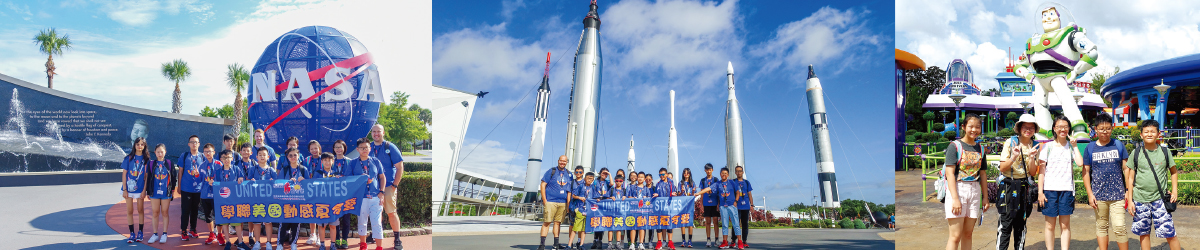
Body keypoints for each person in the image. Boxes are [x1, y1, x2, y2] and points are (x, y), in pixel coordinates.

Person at [1126, 119, 1181, 250]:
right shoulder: (1136, 153)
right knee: (1144, 233)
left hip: (1160, 200)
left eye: (1152, 131)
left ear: (1158, 134)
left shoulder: (1165, 152)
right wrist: (1130, 200)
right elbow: (1130, 178)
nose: (1149, 134)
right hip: (1140, 200)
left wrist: (1175, 191)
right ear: (1141, 135)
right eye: (1146, 132)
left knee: (1169, 233)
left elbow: (1173, 172)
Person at [1082, 113, 1129, 250]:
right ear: (1095, 129)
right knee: (1101, 226)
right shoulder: (1090, 148)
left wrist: (1127, 191)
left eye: (1108, 128)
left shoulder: (1118, 145)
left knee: (1119, 227)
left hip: (1118, 195)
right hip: (1098, 195)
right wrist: (1090, 194)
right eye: (1101, 128)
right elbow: (1086, 172)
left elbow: (1126, 169)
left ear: (1112, 128)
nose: (1105, 131)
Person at [995, 114, 1042, 250]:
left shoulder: (1035, 145)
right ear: (1020, 128)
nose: (1028, 130)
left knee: (1021, 224)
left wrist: (1032, 158)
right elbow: (1003, 167)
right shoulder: (1011, 142)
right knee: (1005, 223)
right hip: (1008, 186)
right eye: (1025, 127)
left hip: (1024, 187)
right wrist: (1014, 157)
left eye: (1031, 127)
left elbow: (1033, 172)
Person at [944, 114, 990, 250]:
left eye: (977, 127)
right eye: (970, 126)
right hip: (958, 189)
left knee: (968, 234)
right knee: (955, 236)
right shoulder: (955, 146)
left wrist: (985, 198)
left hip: (974, 191)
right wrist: (955, 198)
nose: (974, 130)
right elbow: (949, 173)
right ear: (964, 127)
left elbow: (982, 174)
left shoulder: (981, 149)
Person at [1038, 116, 1083, 250]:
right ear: (1054, 129)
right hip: (1050, 190)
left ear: (1069, 128)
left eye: (1065, 126)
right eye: (1059, 127)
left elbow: (1080, 163)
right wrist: (1040, 192)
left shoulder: (1070, 147)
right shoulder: (1047, 147)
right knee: (1050, 225)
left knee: (1065, 225)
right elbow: (1041, 172)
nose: (1062, 129)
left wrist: (1075, 146)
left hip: (1066, 190)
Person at [345, 138, 387, 250]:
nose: (365, 150)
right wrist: (361, 180)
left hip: (375, 197)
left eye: (367, 147)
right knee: (362, 222)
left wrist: (382, 192)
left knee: (377, 223)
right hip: (361, 198)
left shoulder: (375, 161)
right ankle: (363, 245)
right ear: (357, 149)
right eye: (362, 148)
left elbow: (382, 177)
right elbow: (348, 179)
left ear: (370, 148)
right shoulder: (353, 163)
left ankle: (379, 247)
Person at [369, 124, 406, 248]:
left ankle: (397, 239)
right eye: (374, 132)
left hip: (389, 186)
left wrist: (395, 185)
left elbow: (400, 167)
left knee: (391, 212)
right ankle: (375, 235)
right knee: (375, 213)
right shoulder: (369, 148)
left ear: (383, 132)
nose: (376, 134)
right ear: (371, 133)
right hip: (373, 188)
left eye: (378, 131)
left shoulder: (390, 147)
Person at [212, 149, 246, 250]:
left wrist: (241, 179)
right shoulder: (217, 172)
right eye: (224, 158)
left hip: (235, 200)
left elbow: (241, 179)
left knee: (237, 221)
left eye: (228, 157)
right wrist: (212, 183)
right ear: (221, 159)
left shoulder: (237, 169)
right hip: (223, 201)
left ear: (232, 158)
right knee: (225, 221)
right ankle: (227, 242)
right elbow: (216, 184)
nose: (226, 159)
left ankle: (240, 241)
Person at [247, 147, 279, 250]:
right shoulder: (252, 169)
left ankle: (268, 242)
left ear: (268, 157)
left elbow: (276, 185)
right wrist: (250, 181)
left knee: (268, 222)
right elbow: (247, 182)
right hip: (256, 200)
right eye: (260, 155)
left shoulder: (271, 170)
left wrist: (272, 182)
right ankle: (257, 242)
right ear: (256, 157)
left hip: (268, 200)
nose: (262, 156)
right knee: (256, 222)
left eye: (264, 155)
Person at [278, 147, 309, 250]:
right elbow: (279, 185)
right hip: (286, 201)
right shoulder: (284, 169)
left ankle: (294, 243)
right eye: (290, 155)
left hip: (299, 201)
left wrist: (303, 180)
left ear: (298, 156)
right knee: (284, 223)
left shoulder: (304, 170)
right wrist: (288, 182)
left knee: (296, 223)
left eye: (295, 155)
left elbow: (309, 186)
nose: (293, 157)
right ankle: (280, 243)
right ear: (287, 157)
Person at [122, 137, 150, 244]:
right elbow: (124, 174)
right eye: (137, 144)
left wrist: (144, 190)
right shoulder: (128, 158)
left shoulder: (146, 160)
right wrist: (124, 189)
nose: (139, 146)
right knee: (129, 211)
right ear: (134, 145)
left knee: (140, 210)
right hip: (128, 189)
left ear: (144, 146)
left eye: (142, 144)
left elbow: (146, 176)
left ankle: (140, 232)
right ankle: (131, 233)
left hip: (140, 189)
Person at [178, 135, 205, 241]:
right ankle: (183, 230)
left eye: (196, 142)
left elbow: (204, 173)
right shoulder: (184, 156)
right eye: (192, 142)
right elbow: (180, 171)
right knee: (185, 210)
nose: (194, 144)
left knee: (195, 210)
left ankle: (193, 229)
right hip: (186, 188)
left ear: (199, 144)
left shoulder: (202, 156)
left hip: (198, 189)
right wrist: (179, 186)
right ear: (188, 144)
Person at [147, 143, 175, 244]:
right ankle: (155, 234)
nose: (160, 154)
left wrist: (172, 191)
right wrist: (148, 191)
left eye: (162, 152)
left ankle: (164, 233)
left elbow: (173, 177)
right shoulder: (151, 164)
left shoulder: (169, 163)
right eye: (158, 152)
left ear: (165, 152)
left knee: (164, 212)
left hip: (166, 192)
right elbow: (148, 178)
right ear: (155, 152)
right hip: (154, 192)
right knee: (155, 213)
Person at [314, 152, 341, 250]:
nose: (327, 162)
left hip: (333, 204)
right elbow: (312, 186)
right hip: (321, 203)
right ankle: (322, 244)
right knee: (322, 226)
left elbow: (341, 188)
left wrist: (339, 180)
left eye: (329, 160)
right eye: (325, 160)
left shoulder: (336, 174)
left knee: (333, 226)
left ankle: (333, 244)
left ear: (333, 161)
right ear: (322, 161)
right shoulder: (317, 173)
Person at [331, 139, 354, 249]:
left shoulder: (350, 162)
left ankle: (344, 239)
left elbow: (354, 177)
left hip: (347, 195)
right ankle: (336, 239)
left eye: (340, 147)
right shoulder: (330, 161)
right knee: (336, 218)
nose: (338, 149)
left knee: (346, 218)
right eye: (336, 147)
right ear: (333, 149)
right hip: (334, 195)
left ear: (344, 148)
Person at [198, 143, 221, 245]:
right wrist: (196, 174)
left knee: (219, 215)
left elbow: (223, 179)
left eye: (210, 151)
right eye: (206, 151)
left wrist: (215, 183)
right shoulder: (201, 165)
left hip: (217, 194)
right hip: (205, 194)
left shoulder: (219, 164)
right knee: (208, 216)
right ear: (204, 153)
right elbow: (199, 180)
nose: (208, 153)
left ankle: (219, 234)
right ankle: (212, 234)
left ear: (214, 152)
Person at [651, 168, 677, 250]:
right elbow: (657, 193)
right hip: (660, 207)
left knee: (669, 225)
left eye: (663, 174)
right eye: (660, 175)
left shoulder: (671, 182)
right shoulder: (658, 184)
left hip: (669, 207)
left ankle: (670, 242)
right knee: (659, 225)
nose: (661, 176)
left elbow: (675, 191)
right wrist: (656, 194)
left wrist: (674, 193)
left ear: (666, 174)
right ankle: (659, 242)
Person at [305, 140, 325, 247]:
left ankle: (319, 236)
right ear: (309, 150)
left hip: (321, 190)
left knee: (319, 211)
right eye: (312, 148)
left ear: (319, 148)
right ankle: (313, 234)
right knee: (311, 211)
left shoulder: (324, 159)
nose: (314, 150)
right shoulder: (306, 160)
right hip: (309, 190)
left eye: (315, 148)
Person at [698, 164, 720, 248]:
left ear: (712, 170)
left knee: (715, 221)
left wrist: (718, 204)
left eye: (710, 169)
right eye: (707, 170)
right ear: (705, 171)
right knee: (707, 222)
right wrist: (701, 204)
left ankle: (717, 239)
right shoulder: (703, 180)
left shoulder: (716, 180)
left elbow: (718, 192)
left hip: (714, 203)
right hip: (706, 203)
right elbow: (702, 193)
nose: (708, 171)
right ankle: (708, 239)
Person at [566, 166, 587, 250]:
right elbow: (569, 194)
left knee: (581, 226)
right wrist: (568, 206)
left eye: (580, 172)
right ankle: (570, 242)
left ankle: (579, 242)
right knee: (572, 224)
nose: (578, 174)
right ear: (574, 173)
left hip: (582, 207)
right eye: (577, 172)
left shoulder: (585, 183)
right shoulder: (571, 182)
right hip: (573, 206)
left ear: (583, 173)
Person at [591, 168, 611, 249]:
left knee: (602, 224)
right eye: (603, 173)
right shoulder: (595, 182)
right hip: (597, 203)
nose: (604, 175)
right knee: (596, 223)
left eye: (606, 174)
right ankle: (595, 240)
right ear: (600, 173)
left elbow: (612, 184)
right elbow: (592, 192)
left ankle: (600, 241)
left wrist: (609, 174)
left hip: (604, 204)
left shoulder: (607, 182)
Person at [734, 166, 753, 249]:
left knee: (745, 224)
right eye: (737, 171)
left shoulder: (747, 182)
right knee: (735, 224)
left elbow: (749, 194)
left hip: (745, 206)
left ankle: (744, 240)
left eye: (740, 171)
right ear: (735, 172)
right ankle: (733, 240)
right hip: (736, 207)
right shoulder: (733, 182)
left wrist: (751, 205)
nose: (739, 173)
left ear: (743, 172)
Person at [679, 168, 697, 248]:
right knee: (682, 222)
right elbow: (678, 195)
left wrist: (693, 192)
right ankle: (683, 240)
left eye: (688, 173)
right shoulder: (681, 183)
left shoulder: (692, 183)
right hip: (682, 204)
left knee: (690, 223)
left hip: (690, 204)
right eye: (685, 173)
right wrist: (682, 191)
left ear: (690, 174)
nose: (686, 174)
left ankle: (690, 240)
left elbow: (694, 195)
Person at [610, 174, 626, 249]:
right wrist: (610, 197)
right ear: (615, 181)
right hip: (612, 212)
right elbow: (606, 197)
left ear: (623, 182)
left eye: (620, 181)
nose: (619, 182)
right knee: (611, 228)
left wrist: (625, 197)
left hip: (621, 212)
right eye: (617, 181)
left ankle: (618, 243)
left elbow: (630, 197)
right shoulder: (612, 190)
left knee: (619, 227)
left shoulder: (624, 191)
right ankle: (610, 244)